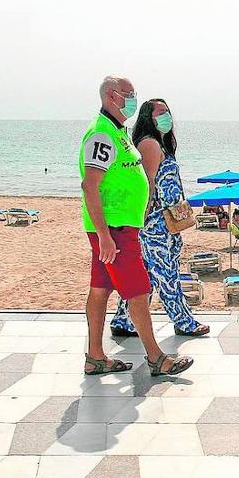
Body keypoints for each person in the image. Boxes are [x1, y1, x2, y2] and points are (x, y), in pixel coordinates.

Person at [80, 76, 193, 377]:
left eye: (133, 94)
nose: (131, 99)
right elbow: (90, 186)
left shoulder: (119, 132)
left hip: (120, 227)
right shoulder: (102, 135)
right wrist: (104, 235)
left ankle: (95, 356)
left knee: (101, 289)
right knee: (139, 291)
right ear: (110, 95)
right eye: (127, 94)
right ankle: (156, 358)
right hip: (114, 229)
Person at [111, 99, 209, 338]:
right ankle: (183, 321)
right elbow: (147, 185)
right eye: (161, 113)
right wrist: (141, 220)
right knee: (167, 273)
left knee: (147, 274)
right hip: (155, 223)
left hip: (167, 221)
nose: (167, 117)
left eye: (168, 112)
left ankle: (123, 321)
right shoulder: (150, 144)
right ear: (148, 118)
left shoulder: (160, 144)